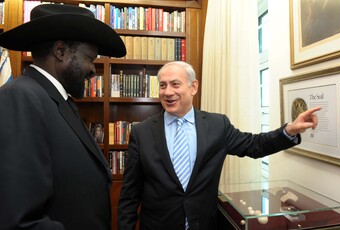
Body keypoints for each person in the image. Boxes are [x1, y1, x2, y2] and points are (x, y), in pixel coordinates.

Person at [117, 61, 321, 230]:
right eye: (163, 85)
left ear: (193, 87)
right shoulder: (141, 132)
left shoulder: (217, 125)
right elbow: (129, 194)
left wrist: (290, 131)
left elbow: (255, 145)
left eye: (175, 84)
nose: (168, 92)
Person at [0, 4, 126, 230]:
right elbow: (20, 219)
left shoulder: (55, 100)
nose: (93, 70)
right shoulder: (20, 98)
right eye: (90, 58)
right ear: (60, 51)